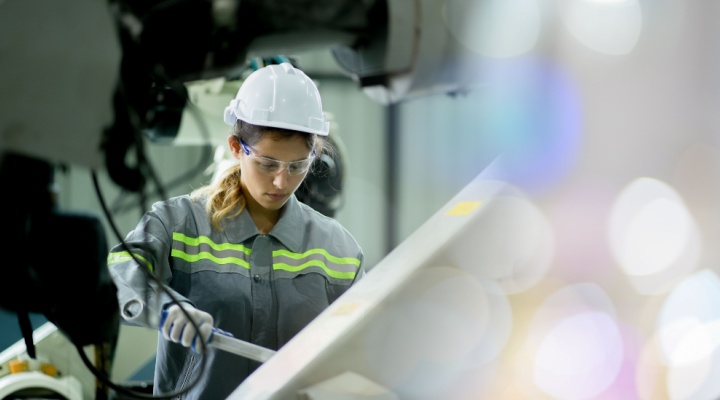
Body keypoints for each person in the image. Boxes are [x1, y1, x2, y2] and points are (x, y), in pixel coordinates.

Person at [107, 62, 365, 399]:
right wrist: (167, 308)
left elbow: (362, 347)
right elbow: (121, 275)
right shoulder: (177, 222)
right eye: (267, 164)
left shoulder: (339, 250)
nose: (281, 181)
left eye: (297, 166)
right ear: (235, 147)